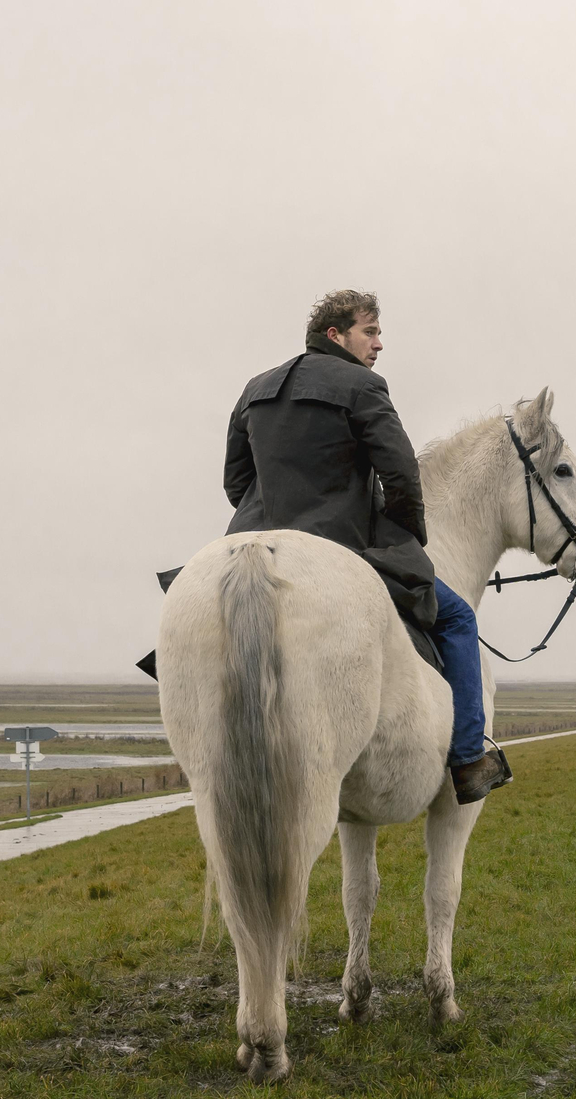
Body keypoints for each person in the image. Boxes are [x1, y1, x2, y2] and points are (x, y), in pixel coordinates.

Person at [220, 289, 508, 805]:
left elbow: (236, 481)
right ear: (337, 335)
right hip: (345, 546)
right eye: (370, 332)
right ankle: (469, 760)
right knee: (459, 618)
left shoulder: (255, 389)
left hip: (255, 544)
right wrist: (404, 538)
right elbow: (401, 475)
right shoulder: (363, 385)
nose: (379, 344)